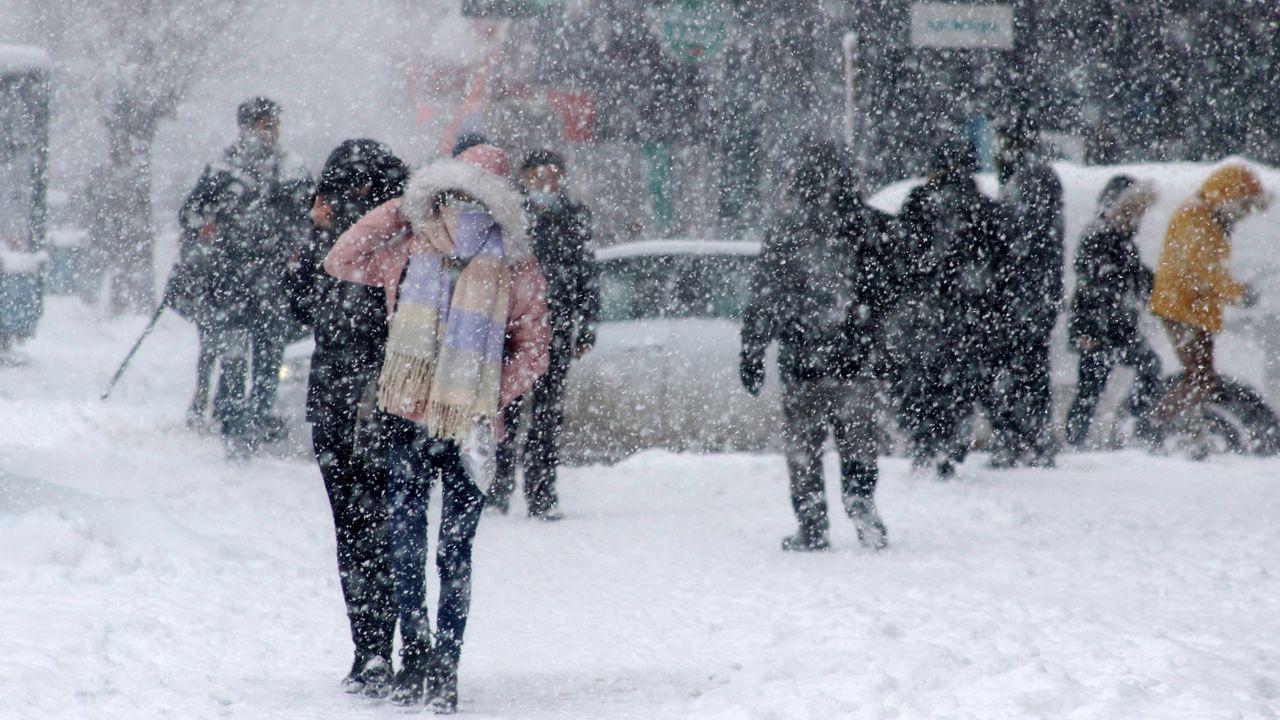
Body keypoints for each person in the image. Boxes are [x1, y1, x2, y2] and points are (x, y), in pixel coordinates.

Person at [323, 143, 550, 711]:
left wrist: (480, 394)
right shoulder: (443, 250)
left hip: (440, 423)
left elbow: (342, 258)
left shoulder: (453, 251)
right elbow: (341, 258)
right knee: (437, 548)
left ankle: (429, 659)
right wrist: (483, 392)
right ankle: (434, 661)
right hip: (441, 424)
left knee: (425, 545)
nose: (458, 204)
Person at [289, 140, 408, 696]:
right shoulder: (333, 246)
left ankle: (382, 647)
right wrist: (312, 234)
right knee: (364, 530)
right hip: (347, 404)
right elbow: (296, 306)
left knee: (376, 530)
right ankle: (374, 648)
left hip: (381, 402)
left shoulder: (400, 244)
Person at [740, 142, 896, 552]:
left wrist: (753, 351)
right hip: (858, 360)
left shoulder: (787, 231)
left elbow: (765, 297)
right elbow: (894, 291)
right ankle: (861, 502)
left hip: (802, 361)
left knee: (804, 449)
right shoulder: (871, 227)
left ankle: (811, 524)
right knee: (859, 444)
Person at [180, 97, 312, 451]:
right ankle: (233, 424)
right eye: (265, 125)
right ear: (246, 128)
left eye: (274, 125)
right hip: (230, 280)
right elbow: (190, 213)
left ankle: (255, 422)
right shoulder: (222, 169)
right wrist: (205, 224)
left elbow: (309, 217)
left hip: (273, 281)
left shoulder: (291, 168)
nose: (271, 132)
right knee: (234, 357)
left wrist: (298, 244)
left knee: (269, 360)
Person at [885, 136, 1005, 478]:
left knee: (921, 383)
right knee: (960, 385)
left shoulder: (918, 202)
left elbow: (900, 257)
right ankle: (951, 445)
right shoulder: (982, 207)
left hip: (924, 314)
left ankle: (925, 444)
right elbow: (999, 263)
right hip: (969, 315)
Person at [488, 150, 598, 520]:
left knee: (547, 415)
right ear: (524, 177)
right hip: (514, 328)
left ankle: (542, 494)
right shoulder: (509, 214)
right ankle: (497, 488)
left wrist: (587, 325)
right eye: (539, 176)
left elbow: (586, 271)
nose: (547, 184)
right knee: (506, 410)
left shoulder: (574, 215)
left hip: (556, 327)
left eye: (554, 176)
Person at [1147, 164, 1270, 458]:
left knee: (1200, 378)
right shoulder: (1196, 216)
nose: (1245, 214)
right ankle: (1155, 425)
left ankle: (1190, 432)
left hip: (1192, 309)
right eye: (1243, 206)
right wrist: (1238, 293)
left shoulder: (1209, 216)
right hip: (1182, 309)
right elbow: (1203, 270)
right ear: (1228, 196)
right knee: (1200, 378)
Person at [1063, 176, 1162, 447]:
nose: (1139, 218)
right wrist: (1089, 332)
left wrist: (1159, 288)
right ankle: (1080, 438)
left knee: (1097, 386)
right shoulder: (1099, 235)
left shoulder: (1121, 238)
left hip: (1116, 327)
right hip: (1097, 329)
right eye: (1136, 210)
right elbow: (1095, 285)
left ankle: (1127, 423)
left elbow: (1134, 277)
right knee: (1091, 388)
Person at [990, 117, 1065, 467]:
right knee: (1027, 368)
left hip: (1025, 295)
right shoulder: (1034, 177)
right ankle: (1027, 438)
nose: (997, 150)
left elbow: (1022, 238)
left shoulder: (1031, 180)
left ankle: (1023, 440)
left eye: (1002, 142)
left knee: (1023, 367)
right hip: (1031, 294)